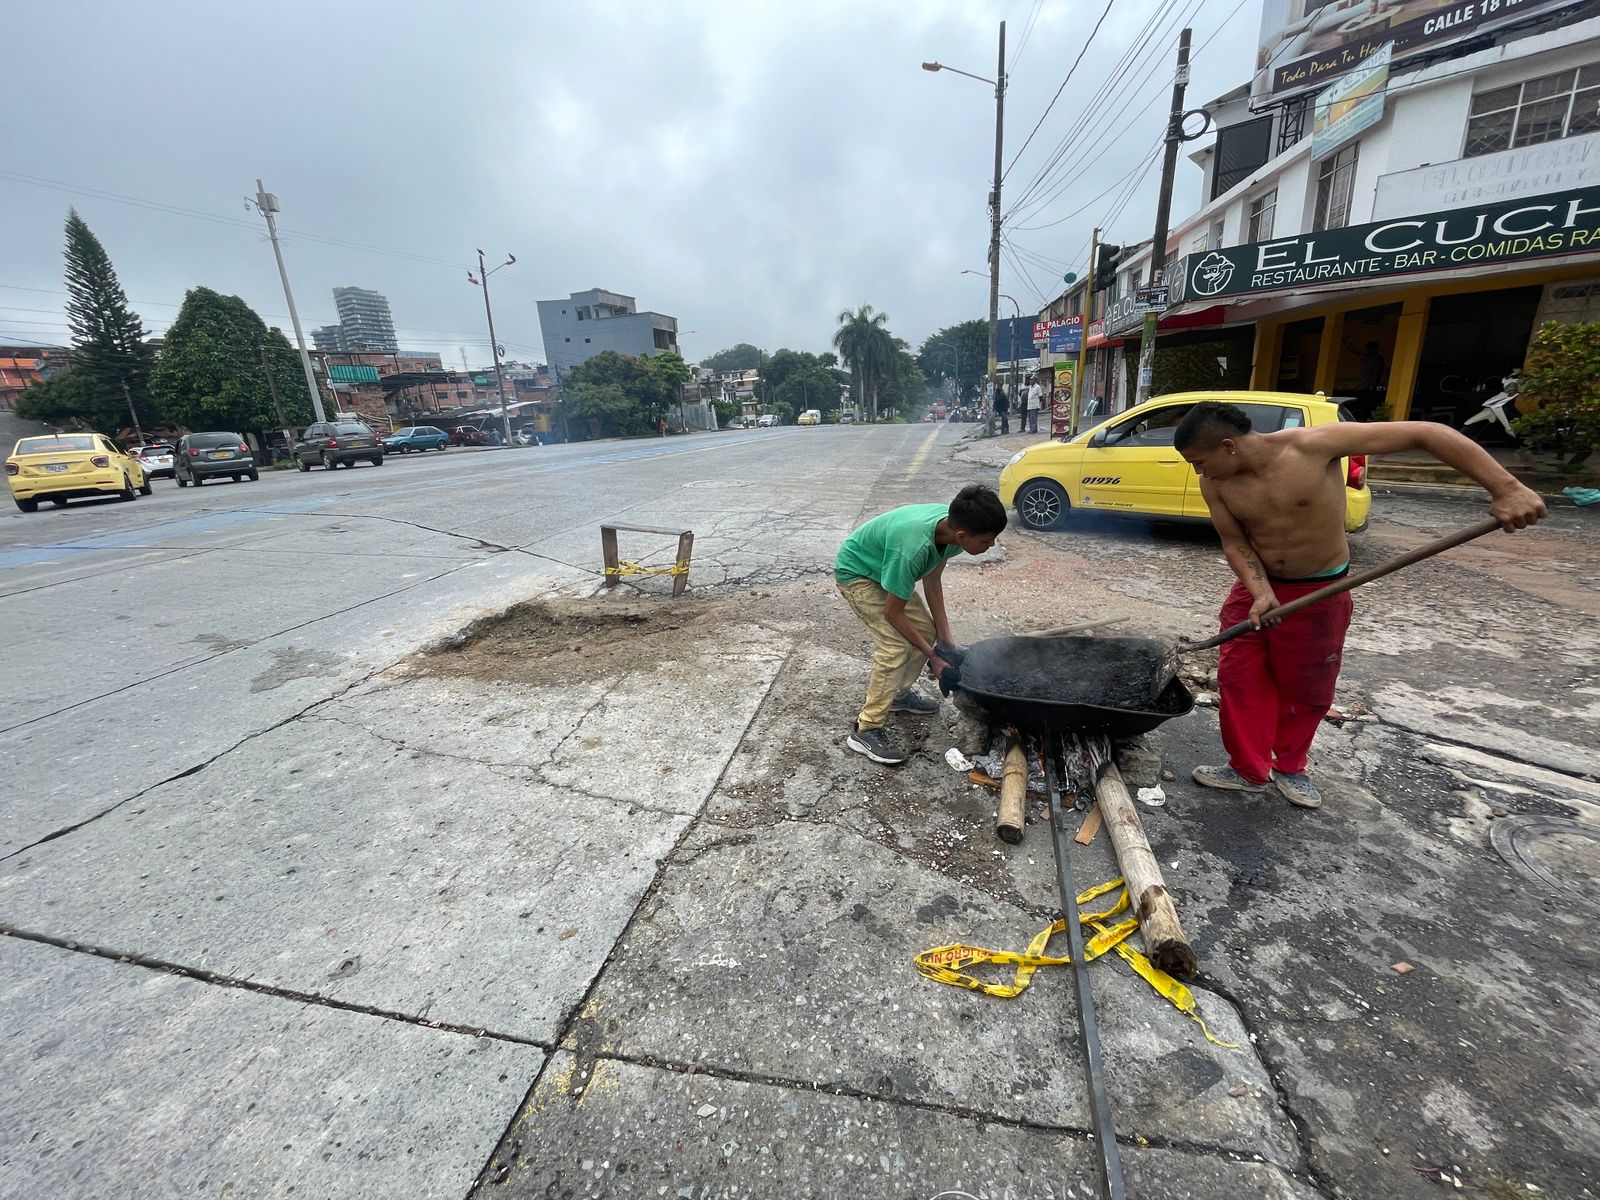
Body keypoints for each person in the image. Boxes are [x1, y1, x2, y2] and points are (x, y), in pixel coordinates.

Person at [1174, 401, 1546, 809]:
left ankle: (1290, 766)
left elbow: (1427, 432)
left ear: (1228, 446)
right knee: (1239, 676)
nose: (1199, 472)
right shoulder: (1217, 483)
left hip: (1320, 590)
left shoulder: (1314, 446)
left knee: (1307, 685)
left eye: (1200, 461)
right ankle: (1247, 769)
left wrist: (1506, 488)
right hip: (1256, 589)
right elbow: (1235, 541)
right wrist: (1260, 591)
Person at [835, 484, 1008, 765]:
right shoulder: (913, 548)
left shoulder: (951, 533)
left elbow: (932, 579)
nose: (991, 546)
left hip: (885, 569)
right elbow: (894, 614)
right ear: (963, 536)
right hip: (858, 572)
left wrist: (945, 638)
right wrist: (933, 657)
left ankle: (898, 695)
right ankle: (866, 728)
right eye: (987, 541)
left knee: (925, 632)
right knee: (895, 649)